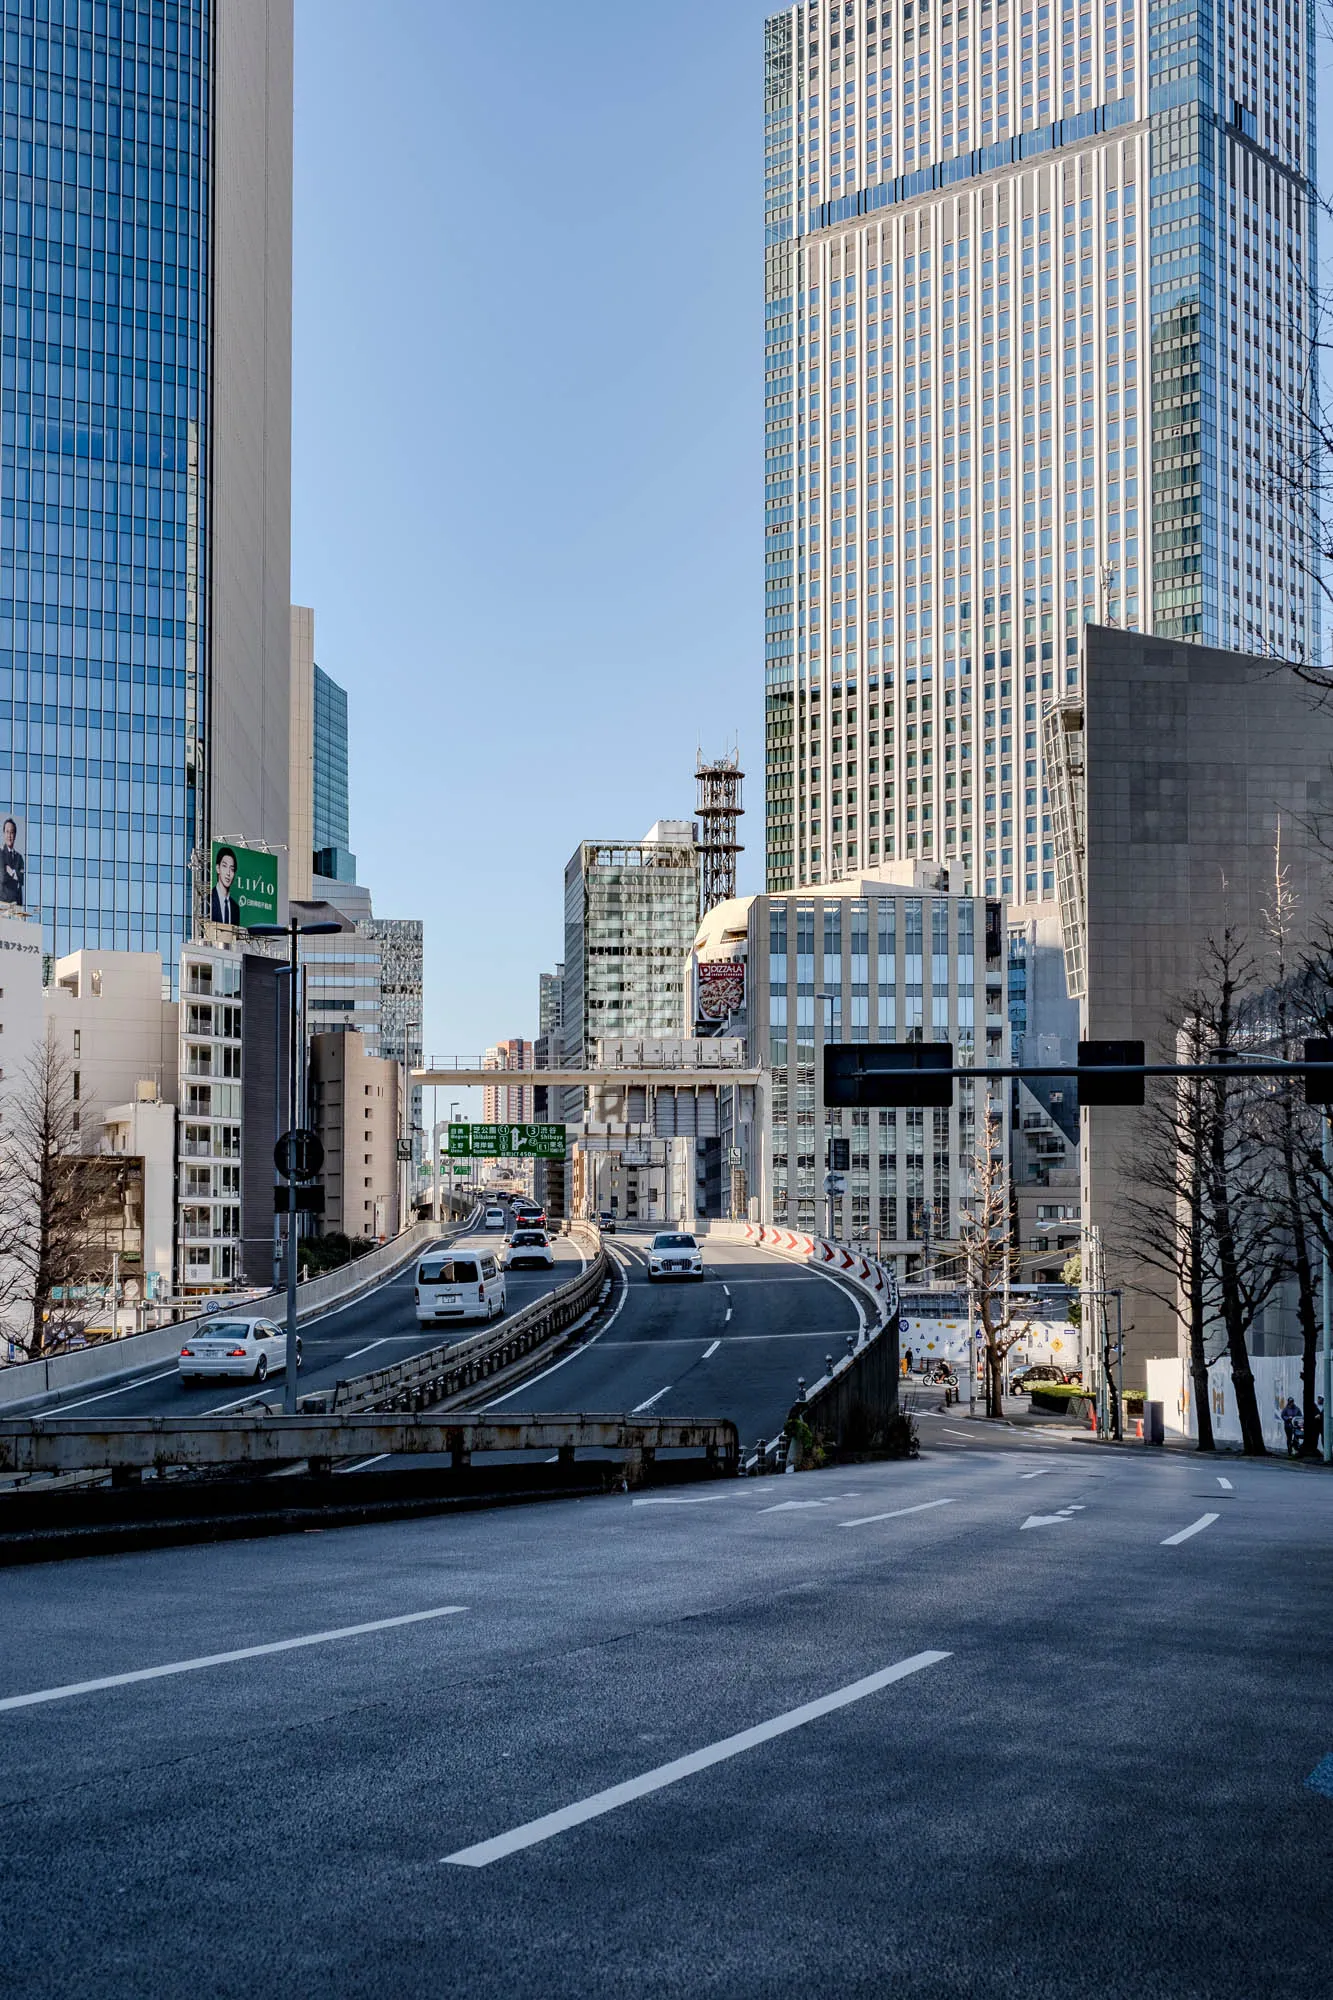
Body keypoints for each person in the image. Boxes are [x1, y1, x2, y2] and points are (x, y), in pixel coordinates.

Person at [210, 845, 239, 925]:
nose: (228, 873)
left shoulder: (235, 908)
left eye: (232, 869)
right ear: (218, 868)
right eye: (225, 866)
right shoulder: (208, 900)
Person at [0, 816, 23, 906]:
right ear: (3, 834)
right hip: (3, 901)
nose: (9, 835)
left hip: (16, 903)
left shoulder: (19, 857)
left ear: (15, 835)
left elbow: (21, 880)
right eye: (7, 832)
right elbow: (3, 877)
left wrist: (12, 872)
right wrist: (16, 876)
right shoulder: (0, 853)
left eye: (12, 832)